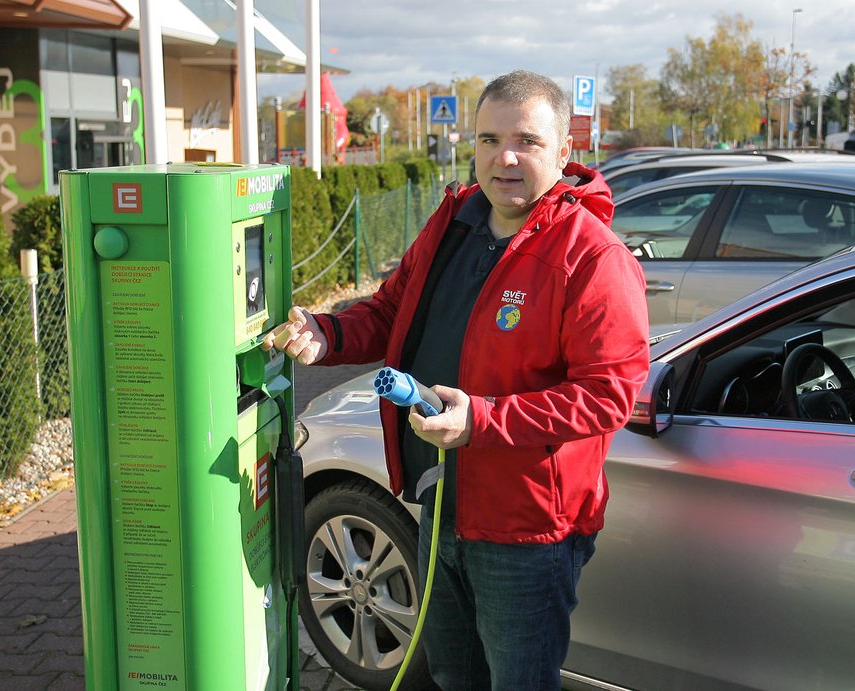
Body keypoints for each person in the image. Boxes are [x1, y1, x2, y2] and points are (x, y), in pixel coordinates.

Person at [264, 69, 650, 690]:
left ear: (565, 151)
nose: (506, 158)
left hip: (527, 530)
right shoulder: (452, 225)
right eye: (490, 140)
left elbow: (606, 396)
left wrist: (483, 421)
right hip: (437, 503)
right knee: (451, 676)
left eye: (528, 141)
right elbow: (392, 311)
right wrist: (328, 334)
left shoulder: (593, 257)